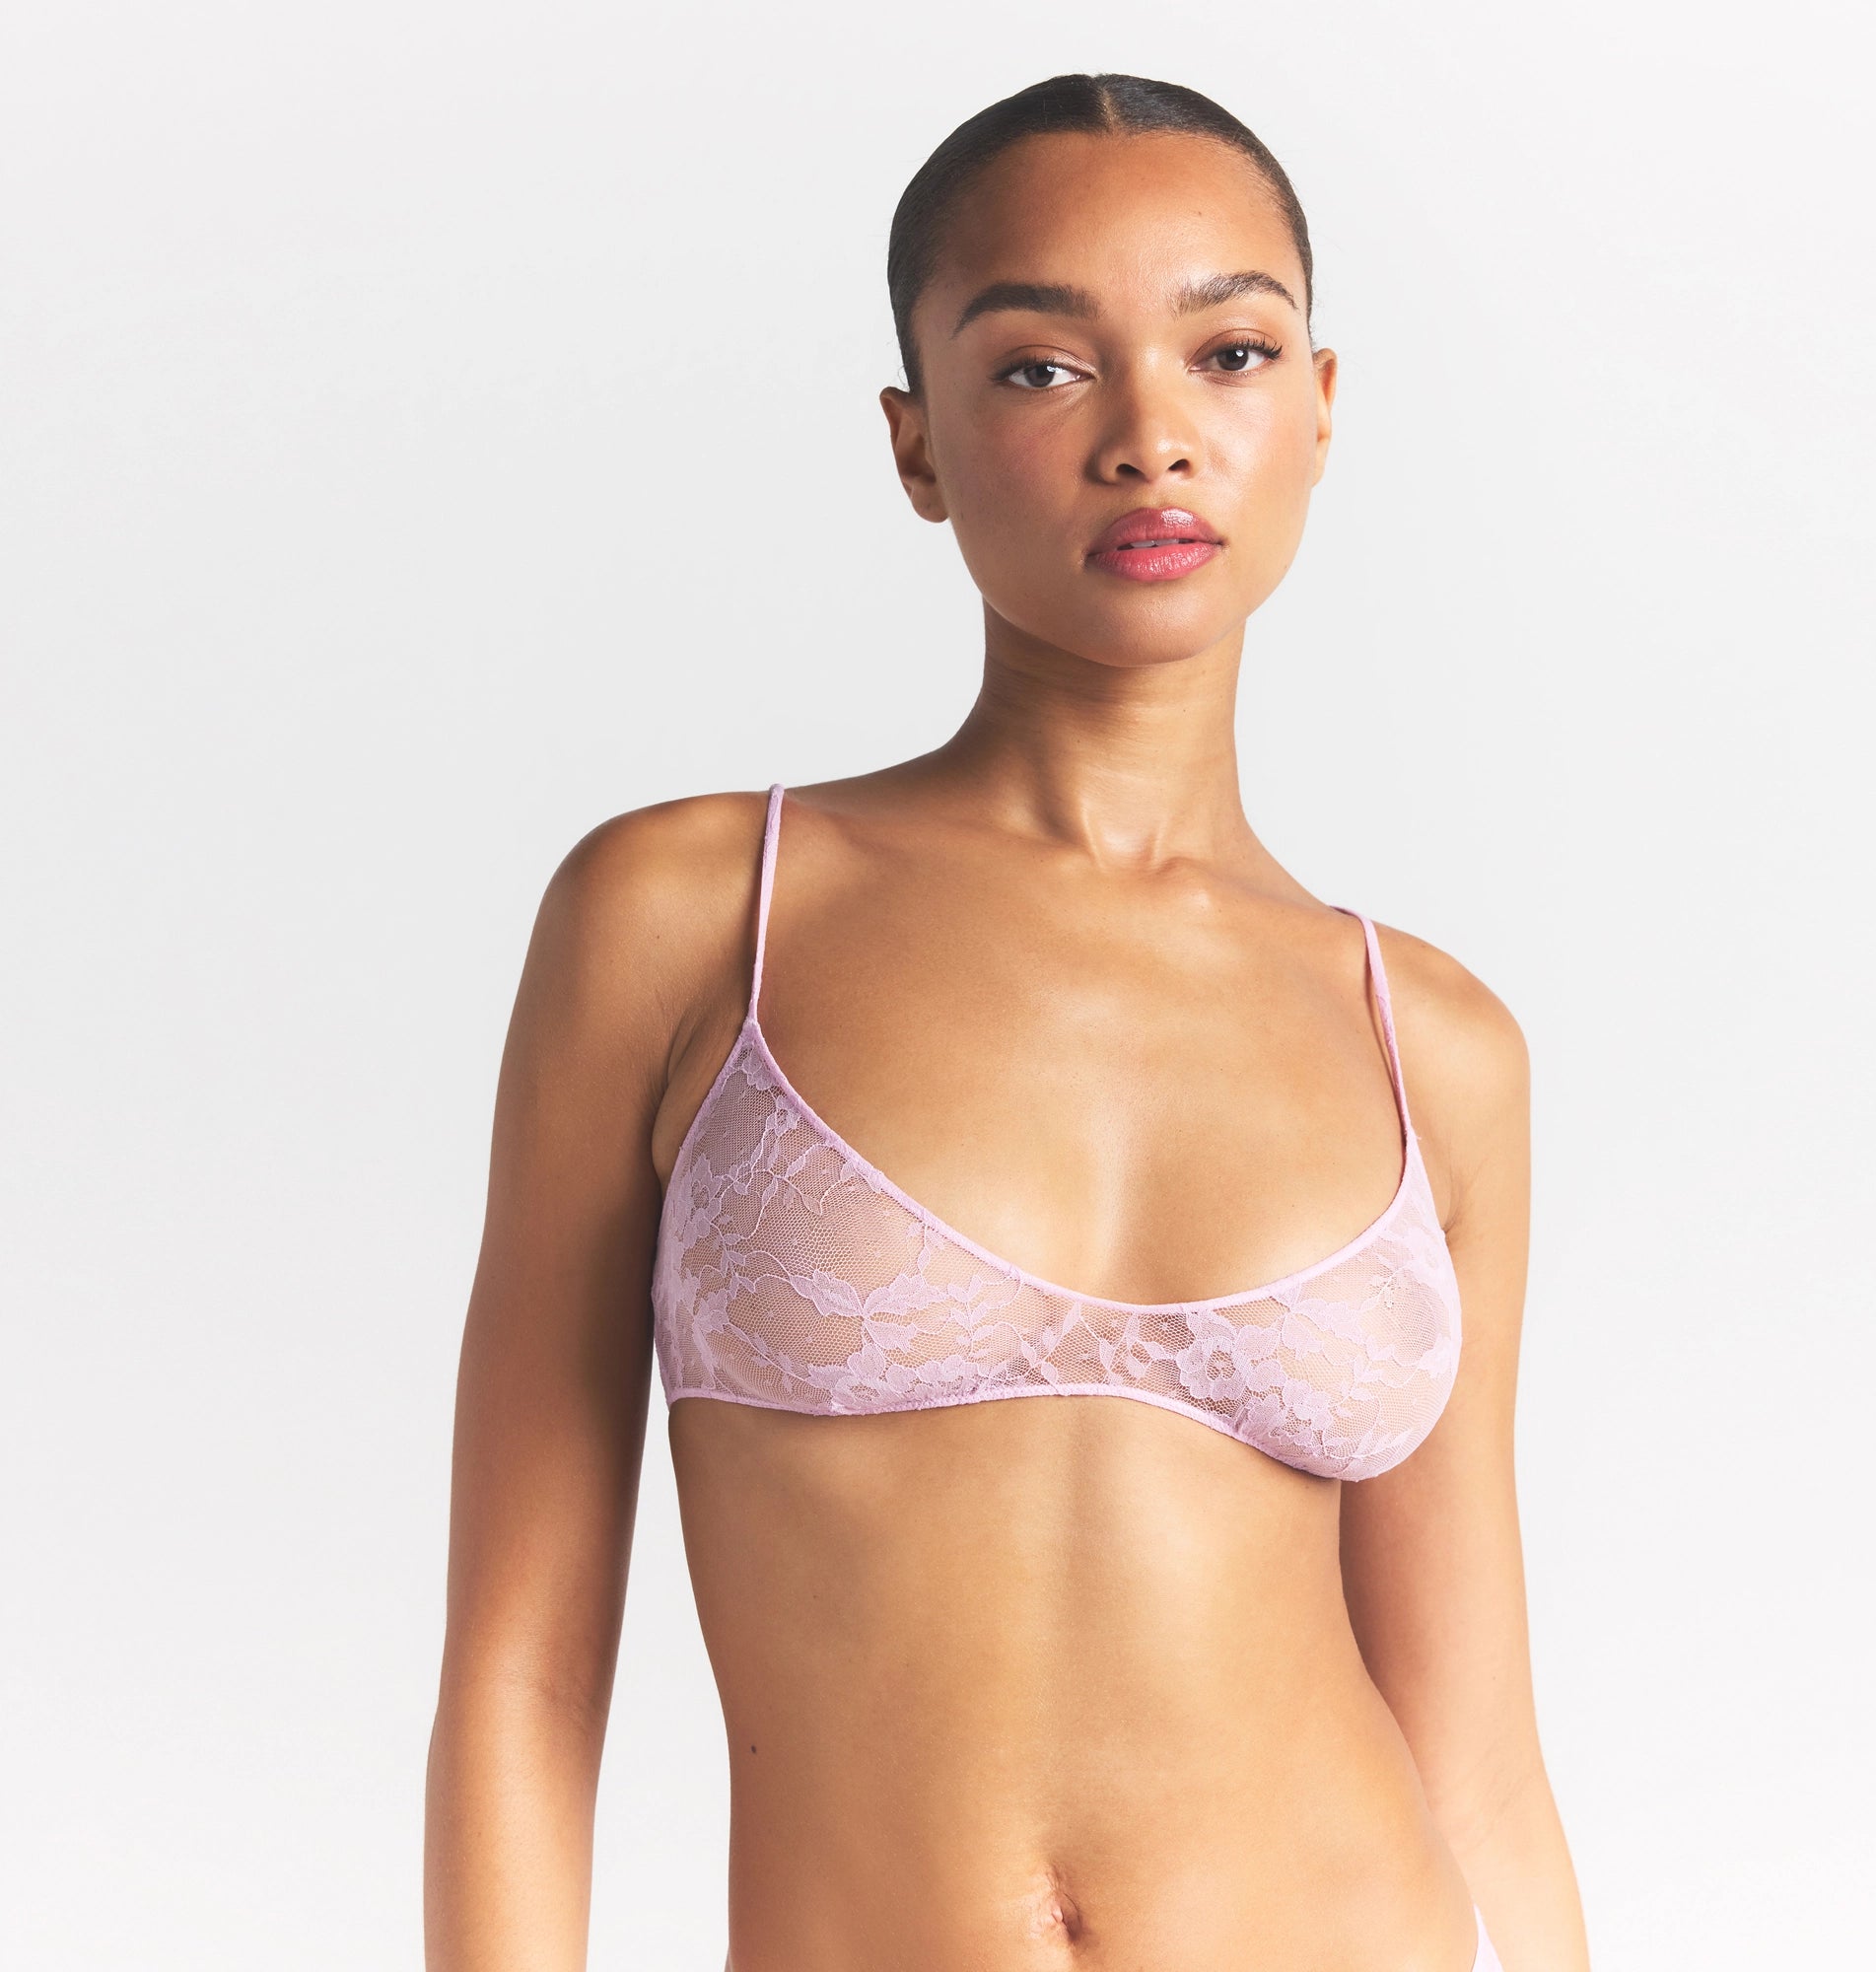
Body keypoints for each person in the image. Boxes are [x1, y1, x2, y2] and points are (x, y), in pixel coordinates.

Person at [425, 71, 1591, 1972]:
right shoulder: (695, 920)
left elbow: (1480, 1756)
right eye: (1043, 367)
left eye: (1229, 352)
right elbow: (521, 1679)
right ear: (917, 444)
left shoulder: (1433, 1045)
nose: (1152, 438)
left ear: (1318, 409)